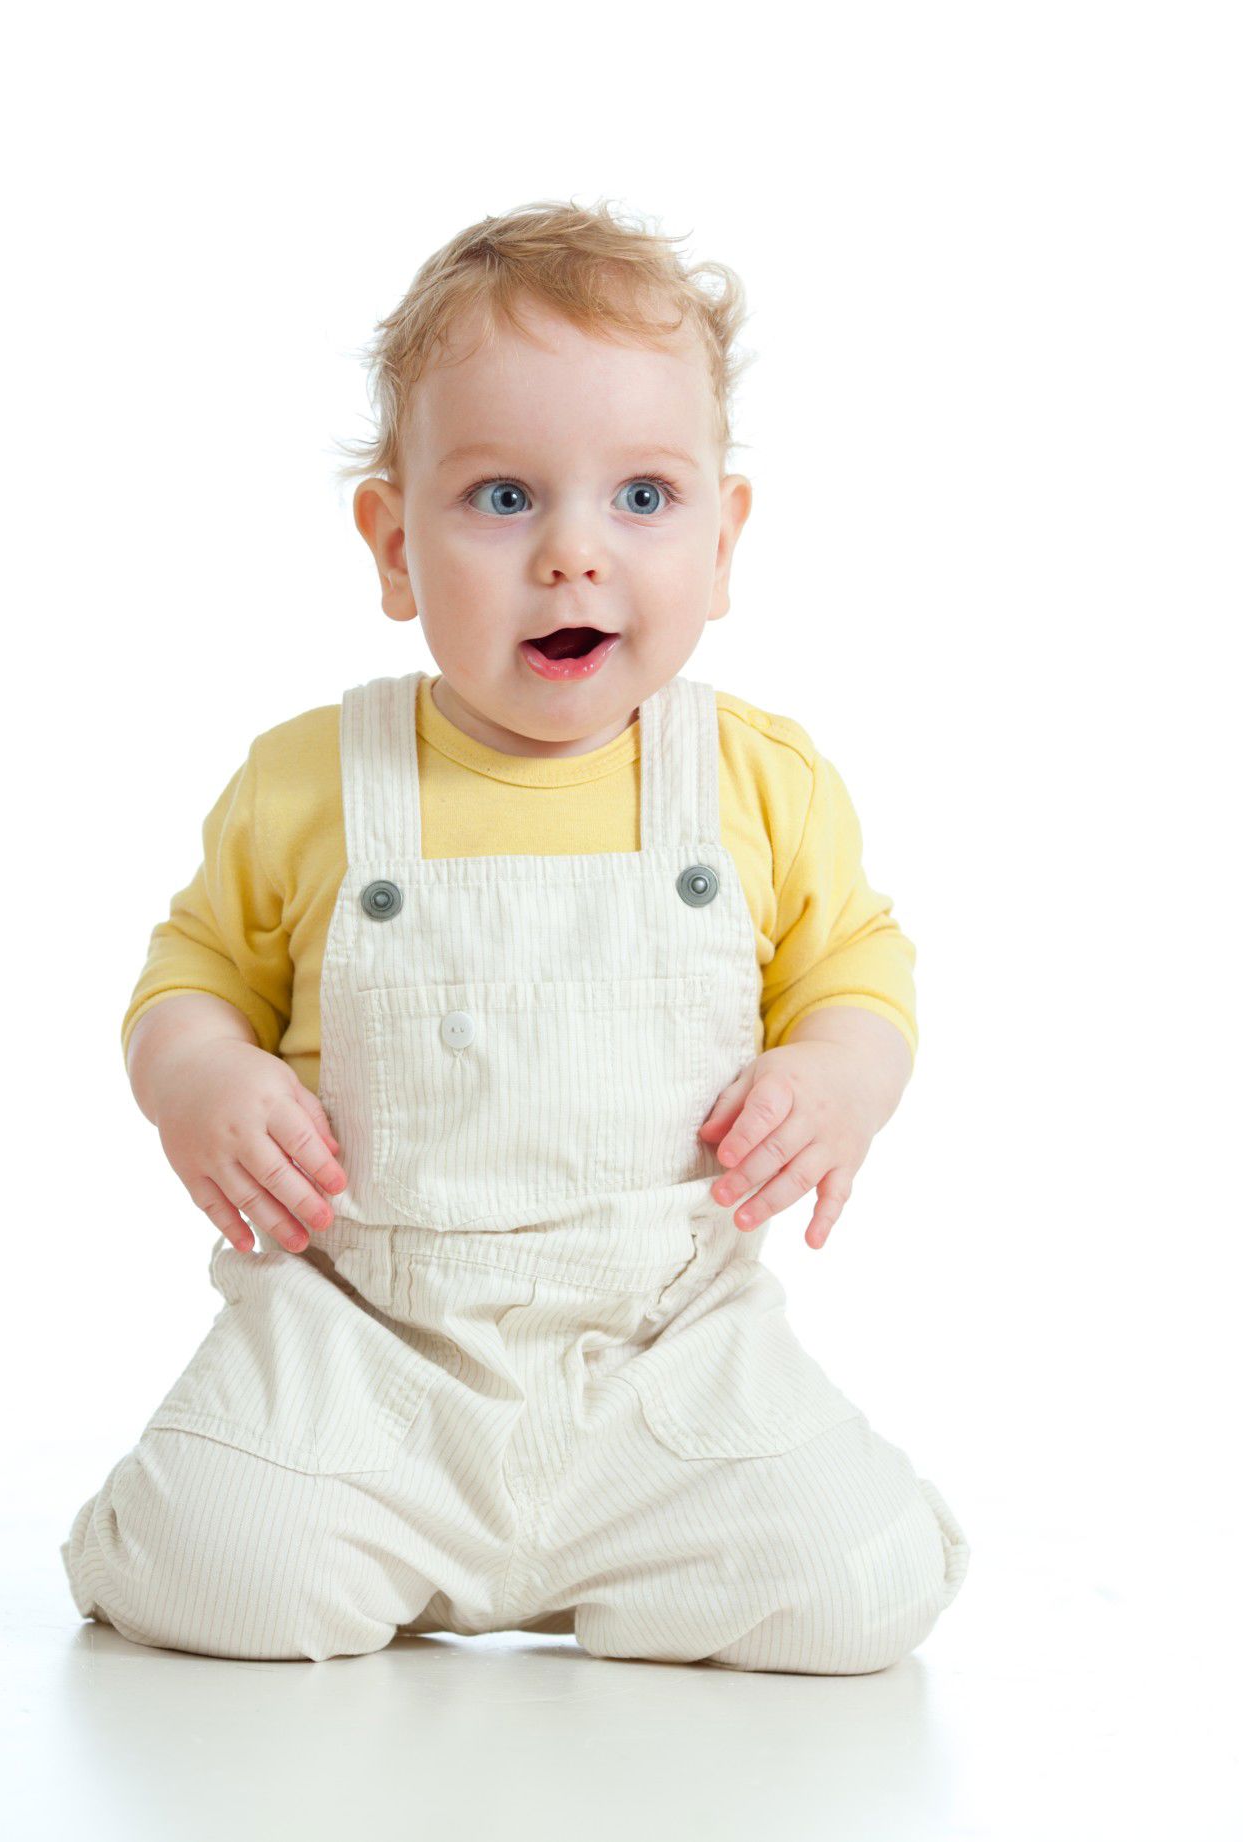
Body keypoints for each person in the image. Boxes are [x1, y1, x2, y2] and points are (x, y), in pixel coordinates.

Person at [61, 197, 971, 1668]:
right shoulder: (311, 781)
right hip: (365, 1352)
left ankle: (635, 1552)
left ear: (726, 538)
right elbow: (193, 975)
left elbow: (859, 967)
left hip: (665, 1363)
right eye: (501, 498)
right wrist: (198, 1079)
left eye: (643, 498)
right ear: (393, 542)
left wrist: (841, 1076)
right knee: (221, 1569)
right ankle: (284, 1530)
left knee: (856, 1586)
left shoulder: (757, 782)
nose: (572, 555)